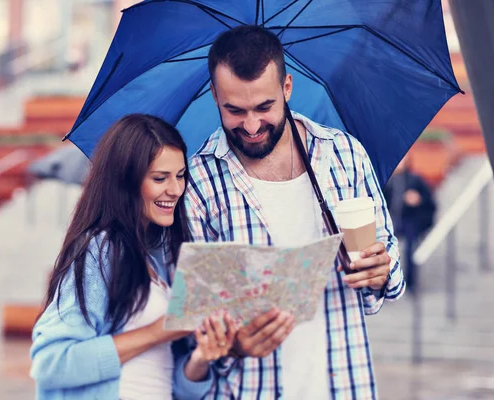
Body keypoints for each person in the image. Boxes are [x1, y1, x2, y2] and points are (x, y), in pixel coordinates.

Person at [182, 26, 406, 399]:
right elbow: (197, 327)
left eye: (264, 107)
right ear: (214, 96)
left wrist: (380, 271)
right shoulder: (199, 182)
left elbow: (389, 280)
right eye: (234, 110)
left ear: (286, 88)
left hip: (345, 385)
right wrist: (233, 344)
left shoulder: (344, 155)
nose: (251, 126)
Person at [30, 114, 237, 400]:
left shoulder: (160, 258)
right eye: (160, 178)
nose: (176, 190)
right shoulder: (99, 252)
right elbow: (51, 364)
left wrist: (200, 359)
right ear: (125, 181)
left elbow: (167, 381)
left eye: (180, 175)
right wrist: (163, 328)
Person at [383, 154, 436, 293]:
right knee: (384, 247)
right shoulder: (389, 180)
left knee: (410, 248)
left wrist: (418, 199)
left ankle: (410, 283)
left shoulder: (415, 179)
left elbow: (430, 201)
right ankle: (387, 282)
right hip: (392, 221)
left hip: (409, 221)